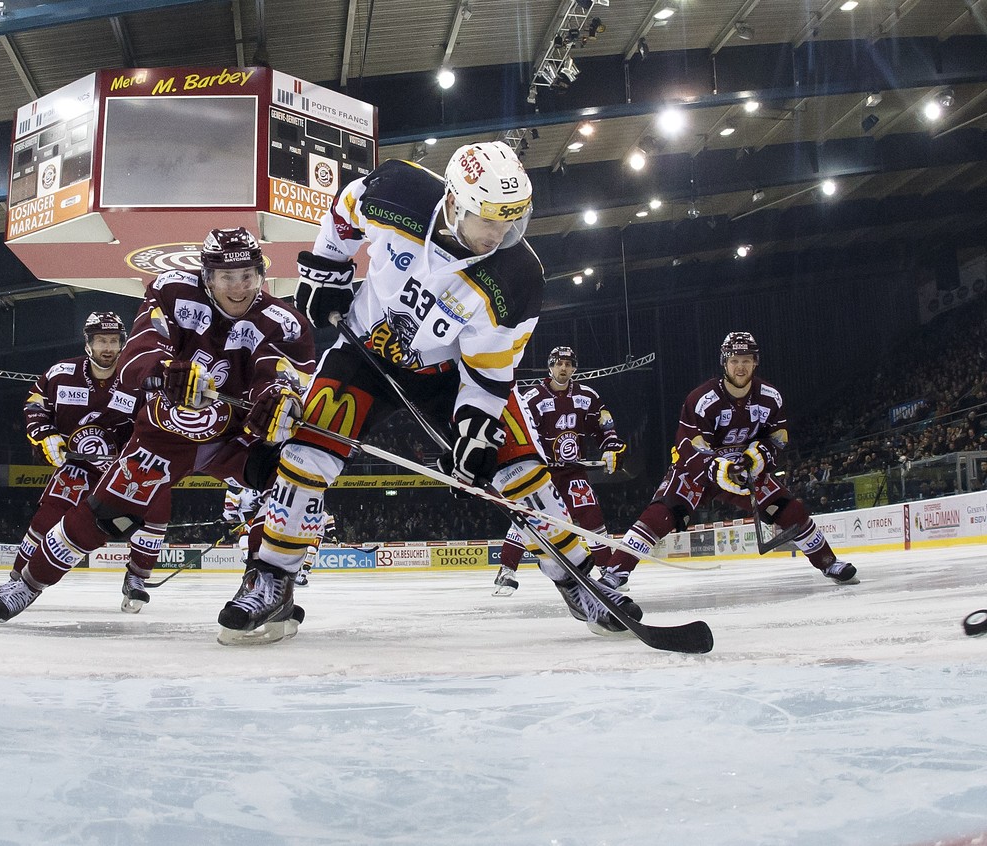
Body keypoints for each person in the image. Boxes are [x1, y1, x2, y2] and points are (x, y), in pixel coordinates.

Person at [246, 141, 639, 642]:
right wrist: (330, 269)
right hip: (366, 349)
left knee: (521, 472)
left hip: (451, 372)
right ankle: (272, 579)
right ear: (453, 202)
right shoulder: (398, 190)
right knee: (306, 454)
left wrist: (475, 429)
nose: (500, 235)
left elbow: (489, 369)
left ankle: (582, 580)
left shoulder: (518, 275)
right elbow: (345, 209)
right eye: (489, 220)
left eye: (511, 221)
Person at [0, 228, 316, 627]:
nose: (238, 287)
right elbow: (137, 355)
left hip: (236, 436)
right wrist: (165, 371)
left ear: (262, 275)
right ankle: (29, 583)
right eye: (227, 277)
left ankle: (267, 587)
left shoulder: (286, 321)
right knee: (109, 515)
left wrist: (279, 399)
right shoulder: (172, 290)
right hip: (164, 432)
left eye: (248, 275)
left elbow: (283, 376)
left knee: (294, 474)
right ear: (207, 276)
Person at [604, 332, 859, 586]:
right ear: (724, 362)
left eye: (747, 360)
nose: (741, 366)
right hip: (696, 472)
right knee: (660, 515)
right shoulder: (702, 399)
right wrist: (715, 468)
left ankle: (829, 563)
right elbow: (688, 445)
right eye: (735, 360)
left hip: (742, 472)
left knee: (791, 510)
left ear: (755, 362)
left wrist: (761, 456)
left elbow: (778, 438)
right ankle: (614, 573)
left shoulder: (770, 397)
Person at [10, 311, 160, 613]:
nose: (108, 347)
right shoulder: (60, 373)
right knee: (44, 521)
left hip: (120, 468)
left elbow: (156, 419)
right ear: (88, 343)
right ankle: (17, 580)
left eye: (114, 341)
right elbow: (35, 403)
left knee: (154, 511)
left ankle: (137, 578)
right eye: (101, 340)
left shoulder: (138, 378)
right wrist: (44, 434)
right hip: (76, 465)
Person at [492, 345, 628, 595]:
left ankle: (608, 571)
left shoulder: (588, 396)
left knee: (591, 516)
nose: (563, 368)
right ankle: (507, 569)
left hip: (573, 472)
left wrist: (611, 447)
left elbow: (604, 427)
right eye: (558, 363)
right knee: (528, 517)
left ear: (574, 367)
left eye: (568, 363)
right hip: (541, 473)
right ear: (550, 366)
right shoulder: (532, 397)